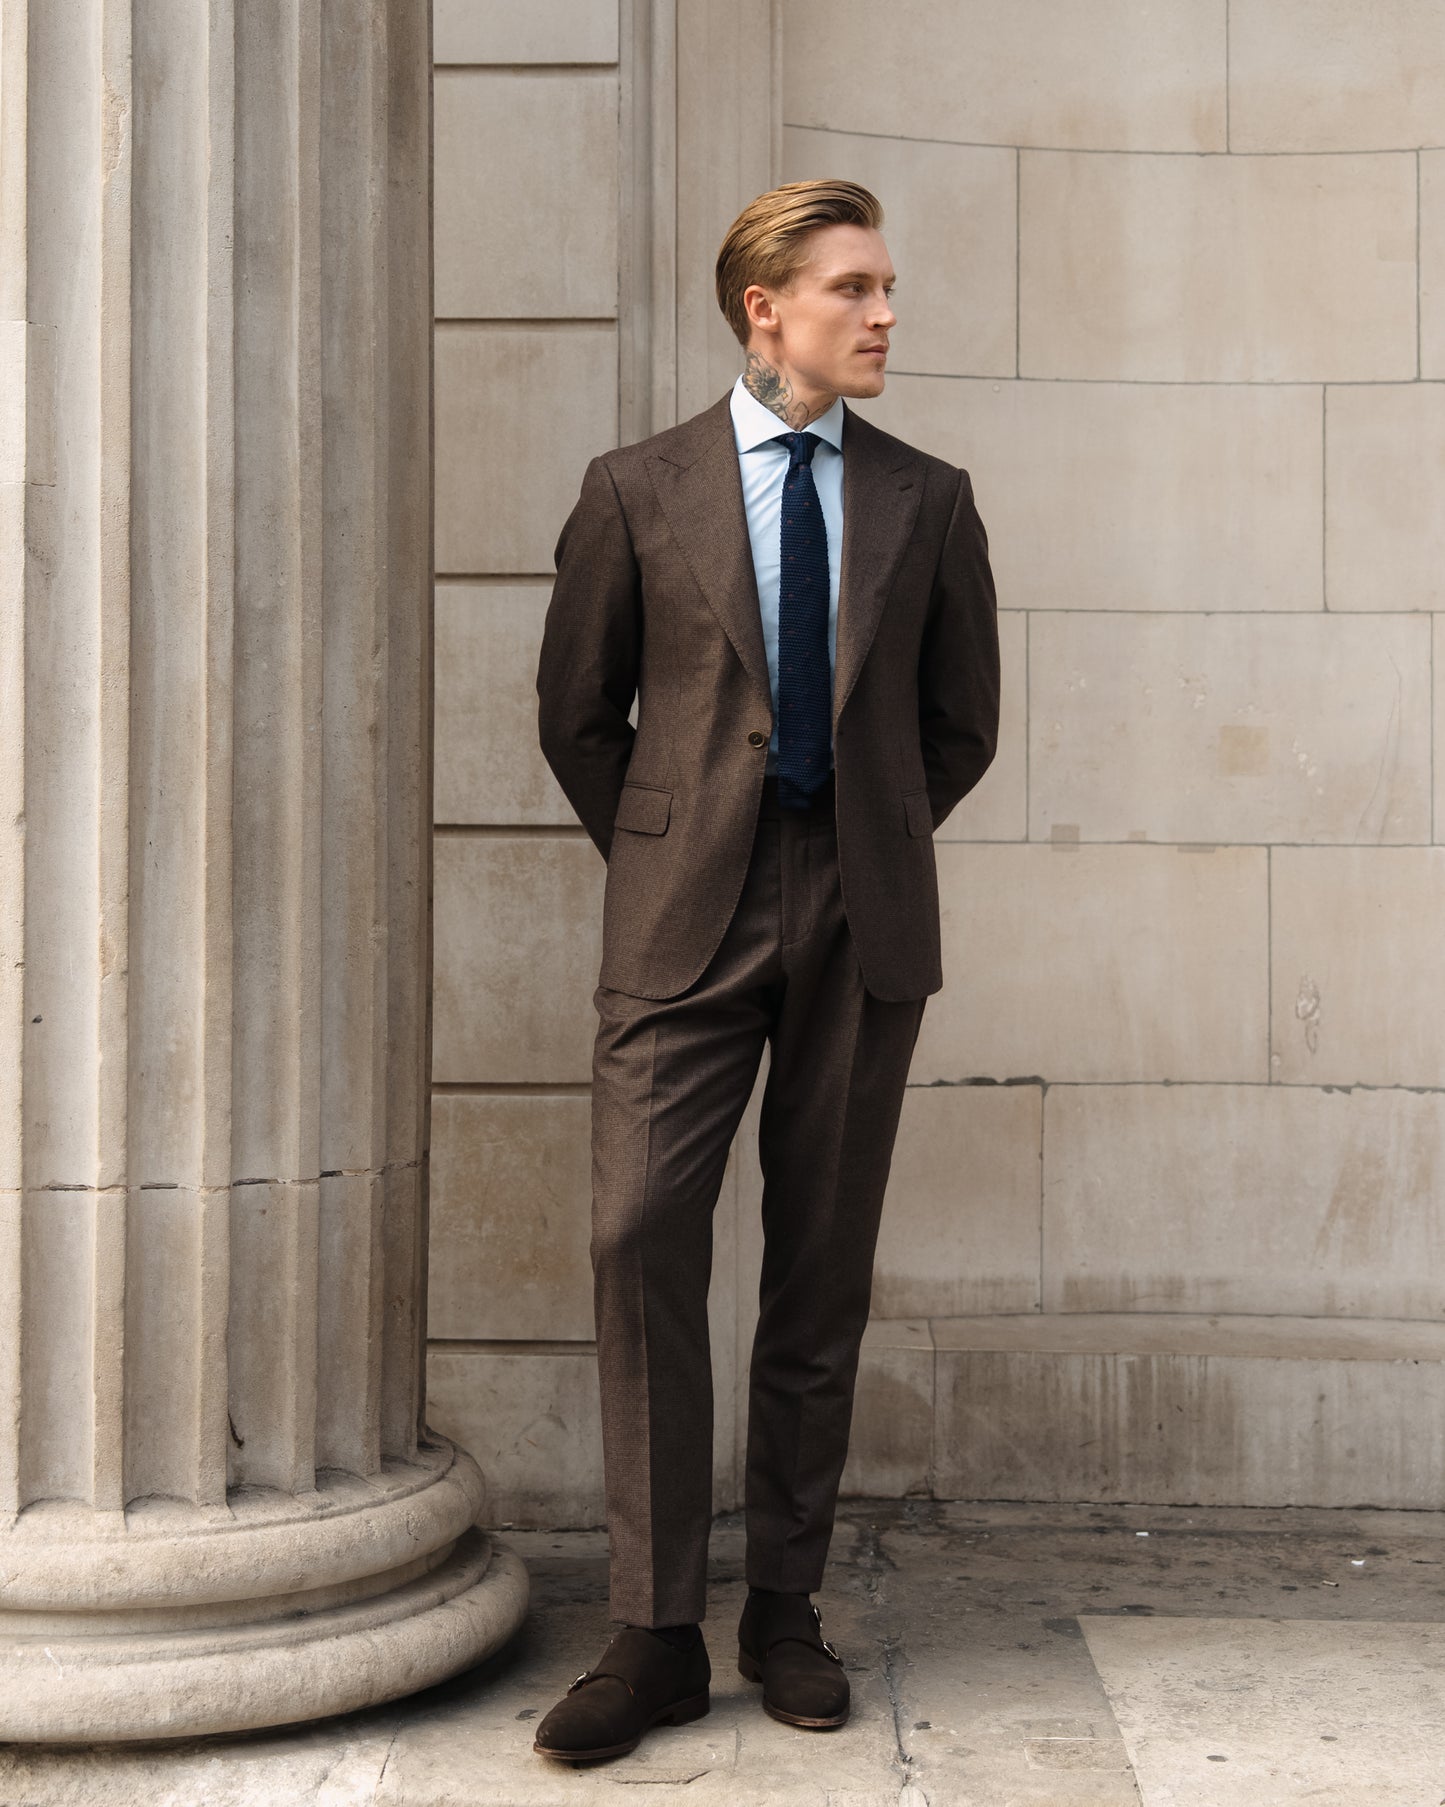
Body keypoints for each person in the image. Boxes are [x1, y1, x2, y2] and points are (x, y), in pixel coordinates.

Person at [531, 178, 1000, 1763]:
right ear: (764, 308)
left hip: (859, 915)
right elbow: (576, 716)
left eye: (885, 289)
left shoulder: (926, 499)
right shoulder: (635, 487)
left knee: (817, 1271)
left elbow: (961, 725)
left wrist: (857, 838)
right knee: (636, 1235)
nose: (881, 316)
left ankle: (781, 1616)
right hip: (680, 916)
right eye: (853, 289)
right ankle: (653, 1634)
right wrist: (670, 853)